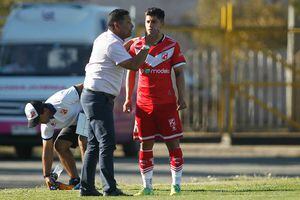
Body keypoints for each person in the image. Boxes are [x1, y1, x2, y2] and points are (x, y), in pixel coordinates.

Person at [80, 8, 157, 197]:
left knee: (94, 144)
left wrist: (128, 44)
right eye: (127, 22)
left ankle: (86, 188)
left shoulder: (106, 39)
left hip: (93, 96)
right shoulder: (112, 43)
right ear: (116, 25)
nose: (131, 25)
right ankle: (109, 188)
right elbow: (133, 65)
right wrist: (147, 46)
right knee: (107, 142)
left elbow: (117, 55)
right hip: (97, 98)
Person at [123, 7, 187, 196]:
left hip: (167, 105)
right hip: (144, 105)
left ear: (162, 24)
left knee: (173, 144)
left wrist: (181, 97)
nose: (150, 26)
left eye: (154, 22)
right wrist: (128, 98)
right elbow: (131, 72)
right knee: (145, 145)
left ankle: (176, 186)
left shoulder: (172, 45)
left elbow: (179, 73)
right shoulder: (137, 45)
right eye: (148, 22)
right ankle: (147, 187)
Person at [24, 83, 87, 190]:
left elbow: (86, 84)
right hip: (73, 122)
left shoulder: (62, 98)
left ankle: (87, 182)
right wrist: (47, 176)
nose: (39, 123)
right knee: (60, 146)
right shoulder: (45, 125)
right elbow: (47, 149)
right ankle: (75, 180)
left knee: (82, 141)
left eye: (38, 120)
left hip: (86, 113)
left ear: (44, 111)